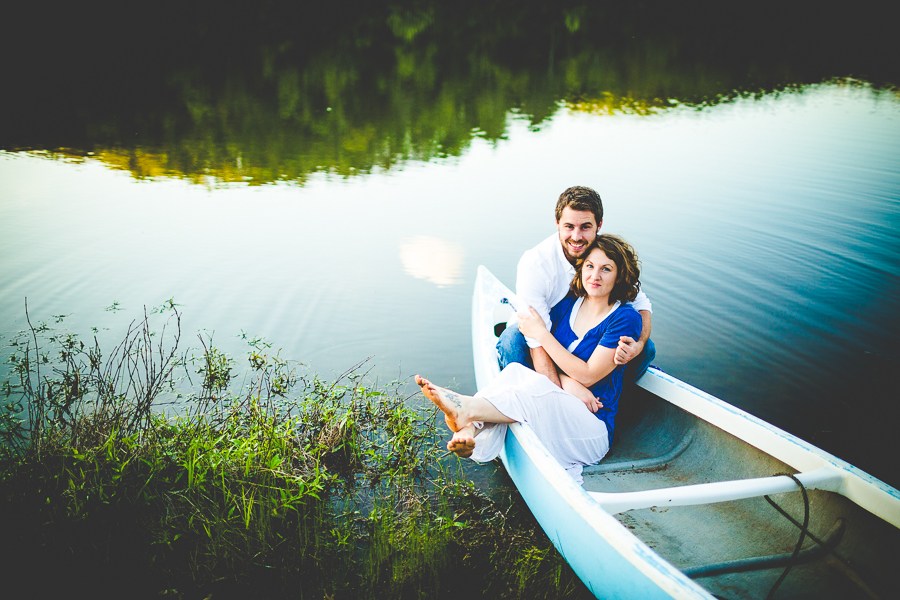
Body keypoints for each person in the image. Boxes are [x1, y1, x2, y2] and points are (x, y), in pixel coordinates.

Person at [417, 235, 643, 484]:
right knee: (515, 372)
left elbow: (589, 374)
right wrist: (567, 382)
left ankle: (468, 410)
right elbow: (539, 339)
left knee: (531, 385)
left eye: (606, 269)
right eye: (589, 266)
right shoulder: (569, 304)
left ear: (619, 275)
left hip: (592, 429)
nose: (594, 276)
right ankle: (470, 432)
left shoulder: (624, 317)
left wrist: (543, 335)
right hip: (558, 407)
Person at [497, 186, 655, 390]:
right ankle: (530, 397)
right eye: (569, 226)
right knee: (512, 342)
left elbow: (641, 304)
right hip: (539, 332)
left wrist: (638, 345)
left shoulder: (604, 253)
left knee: (647, 349)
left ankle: (607, 400)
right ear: (557, 224)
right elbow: (536, 339)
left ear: (599, 225)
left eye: (585, 227)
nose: (577, 237)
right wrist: (560, 396)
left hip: (583, 337)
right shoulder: (535, 265)